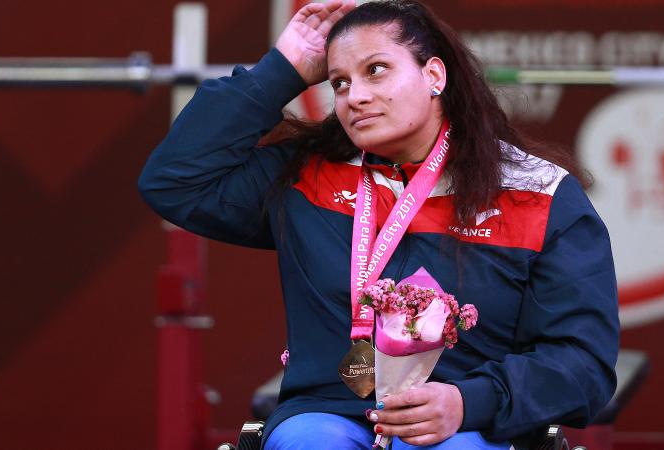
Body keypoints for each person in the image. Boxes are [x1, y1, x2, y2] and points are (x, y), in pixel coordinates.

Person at [138, 1, 620, 449]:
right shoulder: (308, 175)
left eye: (376, 70)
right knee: (311, 443)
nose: (355, 97)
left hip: (468, 424)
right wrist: (280, 72)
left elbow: (583, 364)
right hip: (325, 415)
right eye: (340, 83)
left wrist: (467, 402)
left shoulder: (537, 193)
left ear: (434, 75)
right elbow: (173, 183)